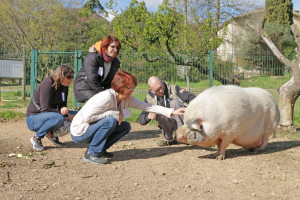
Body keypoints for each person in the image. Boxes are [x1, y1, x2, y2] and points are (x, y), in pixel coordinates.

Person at [70, 71, 185, 165]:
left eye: (133, 87)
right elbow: (87, 118)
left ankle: (100, 149)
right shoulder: (106, 97)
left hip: (92, 127)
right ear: (120, 87)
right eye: (129, 87)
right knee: (110, 121)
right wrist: (112, 113)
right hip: (80, 132)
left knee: (125, 126)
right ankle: (91, 153)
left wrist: (173, 111)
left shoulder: (126, 98)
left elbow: (149, 106)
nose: (132, 90)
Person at [26, 64, 76, 151]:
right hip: (34, 119)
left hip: (50, 116)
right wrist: (66, 116)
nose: (71, 79)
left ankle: (52, 134)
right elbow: (45, 109)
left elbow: (62, 103)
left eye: (72, 77)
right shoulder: (48, 84)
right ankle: (36, 138)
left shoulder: (64, 86)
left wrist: (63, 108)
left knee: (79, 115)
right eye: (69, 77)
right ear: (60, 75)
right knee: (59, 118)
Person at [137, 76, 196, 146]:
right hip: (170, 124)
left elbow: (192, 98)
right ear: (151, 89)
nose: (161, 90)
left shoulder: (173, 89)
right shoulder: (149, 99)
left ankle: (185, 135)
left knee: (174, 102)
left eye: (161, 87)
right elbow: (141, 119)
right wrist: (148, 117)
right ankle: (170, 139)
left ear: (161, 82)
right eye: (157, 90)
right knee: (158, 112)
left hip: (185, 122)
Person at [73, 35, 122, 103]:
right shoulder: (92, 57)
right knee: (102, 102)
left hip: (99, 90)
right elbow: (92, 80)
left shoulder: (115, 62)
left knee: (116, 100)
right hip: (84, 89)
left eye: (117, 48)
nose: (115, 50)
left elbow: (109, 82)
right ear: (105, 46)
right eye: (112, 47)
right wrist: (104, 95)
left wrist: (113, 95)